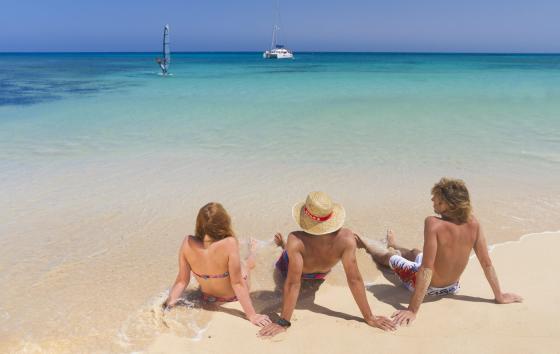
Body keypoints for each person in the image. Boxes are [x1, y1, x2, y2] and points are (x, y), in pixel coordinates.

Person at [356, 177, 523, 327]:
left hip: (428, 287)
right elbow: (486, 263)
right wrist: (499, 295)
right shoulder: (474, 223)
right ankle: (394, 244)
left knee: (389, 257)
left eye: (436, 199)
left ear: (448, 204)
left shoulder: (433, 223)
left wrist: (413, 310)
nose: (432, 200)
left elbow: (426, 270)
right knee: (415, 252)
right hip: (453, 287)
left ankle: (363, 241)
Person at [258, 191, 396, 337]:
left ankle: (280, 245)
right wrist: (369, 317)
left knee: (287, 252)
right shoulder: (347, 238)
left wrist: (283, 322)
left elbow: (293, 283)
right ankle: (386, 245)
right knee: (357, 239)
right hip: (321, 273)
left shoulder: (295, 239)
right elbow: (354, 279)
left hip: (293, 267)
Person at [163, 202, 271, 327]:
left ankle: (250, 251)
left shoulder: (187, 242)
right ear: (224, 223)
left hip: (208, 297)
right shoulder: (230, 243)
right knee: (246, 264)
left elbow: (182, 281)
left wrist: (168, 306)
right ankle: (254, 250)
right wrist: (252, 315)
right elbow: (237, 283)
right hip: (232, 296)